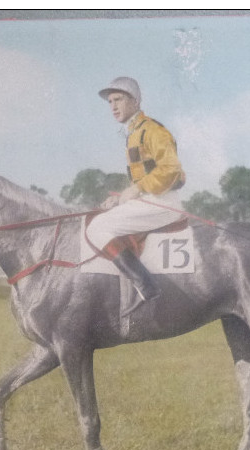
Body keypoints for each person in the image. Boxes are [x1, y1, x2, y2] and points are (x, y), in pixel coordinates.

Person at [86, 77, 186, 305]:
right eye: (110, 101)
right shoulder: (134, 133)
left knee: (97, 227)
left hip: (163, 203)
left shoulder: (152, 130)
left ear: (135, 101)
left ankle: (146, 285)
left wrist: (137, 188)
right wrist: (121, 199)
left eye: (118, 99)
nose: (113, 106)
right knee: (100, 218)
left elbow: (172, 170)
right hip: (149, 200)